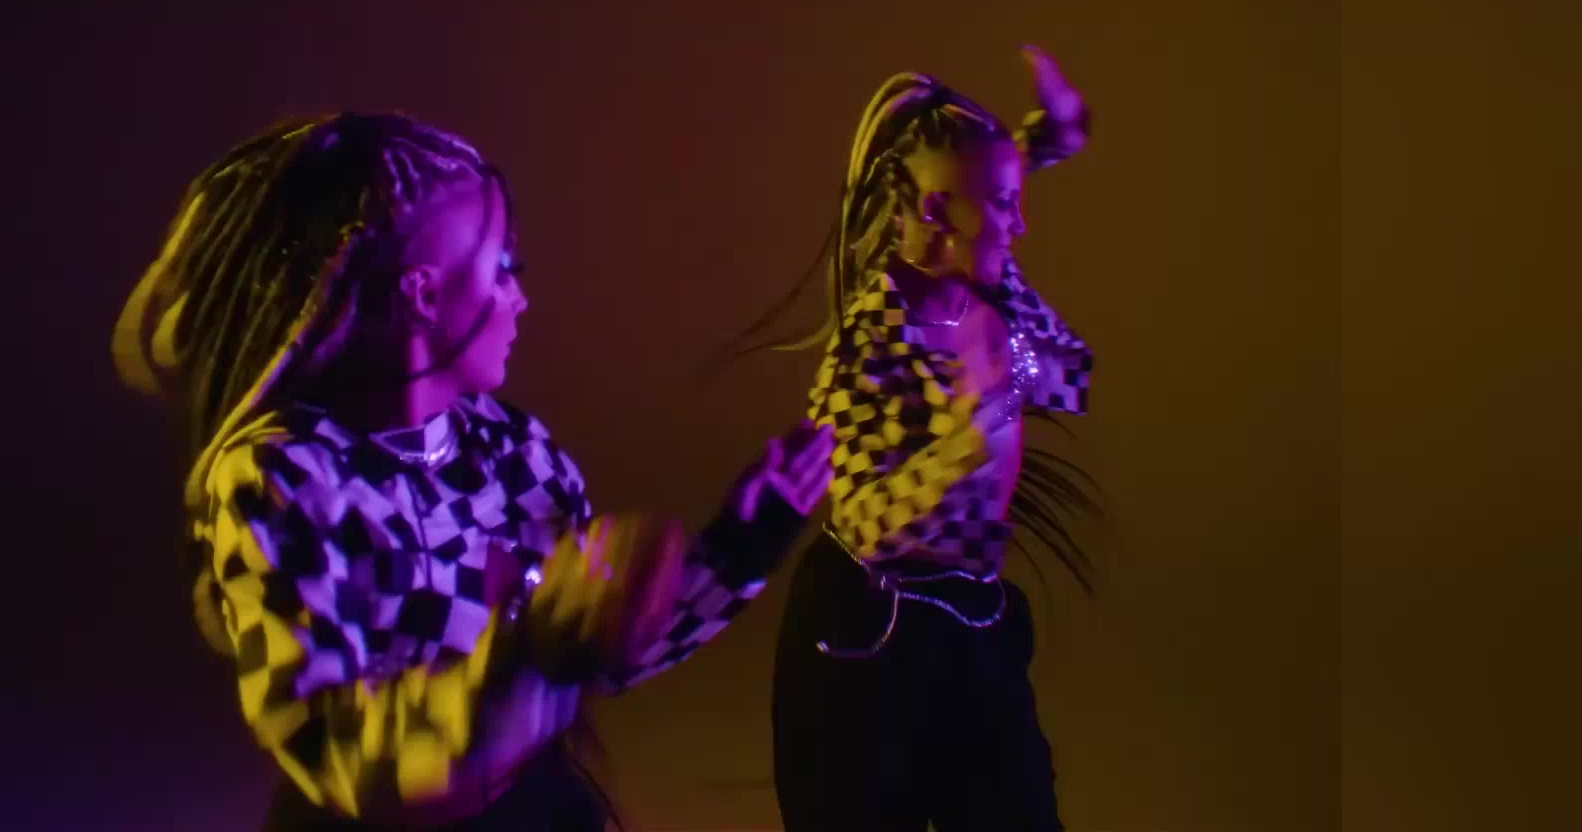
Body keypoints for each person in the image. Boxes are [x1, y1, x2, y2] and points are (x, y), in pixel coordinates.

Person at [112, 110, 834, 830]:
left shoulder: (513, 451)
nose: (521, 297)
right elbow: (337, 747)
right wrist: (525, 657)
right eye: (501, 269)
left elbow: (594, 660)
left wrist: (740, 546)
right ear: (421, 295)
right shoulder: (283, 477)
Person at [747, 49, 1099, 831]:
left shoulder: (985, 284)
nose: (1020, 223)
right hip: (873, 637)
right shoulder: (873, 342)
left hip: (972, 618)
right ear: (936, 213)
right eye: (1004, 206)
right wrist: (958, 452)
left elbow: (993, 179)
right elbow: (860, 520)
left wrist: (1048, 138)